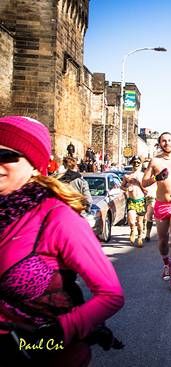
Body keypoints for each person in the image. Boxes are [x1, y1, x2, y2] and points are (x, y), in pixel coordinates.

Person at [0, 116, 124, 366]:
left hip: (42, 352)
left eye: (7, 156)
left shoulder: (58, 218)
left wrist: (52, 336)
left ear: (35, 164)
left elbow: (111, 294)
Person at [142, 132, 171, 292]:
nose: (166, 143)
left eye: (169, 140)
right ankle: (166, 264)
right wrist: (156, 178)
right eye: (163, 141)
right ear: (160, 143)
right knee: (162, 241)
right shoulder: (155, 161)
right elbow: (144, 182)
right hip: (161, 205)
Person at [121, 156, 146, 247]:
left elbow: (146, 190)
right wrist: (127, 188)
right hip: (131, 201)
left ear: (141, 164)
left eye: (138, 162)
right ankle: (132, 231)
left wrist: (138, 182)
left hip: (140, 201)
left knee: (139, 222)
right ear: (132, 163)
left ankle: (139, 237)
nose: (136, 164)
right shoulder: (127, 176)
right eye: (134, 162)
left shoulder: (143, 175)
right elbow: (122, 186)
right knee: (131, 221)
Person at [141, 159, 157, 242]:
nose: (145, 169)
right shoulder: (141, 176)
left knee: (149, 215)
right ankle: (142, 229)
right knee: (141, 216)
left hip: (152, 197)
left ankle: (147, 234)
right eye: (144, 168)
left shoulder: (156, 177)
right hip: (141, 198)